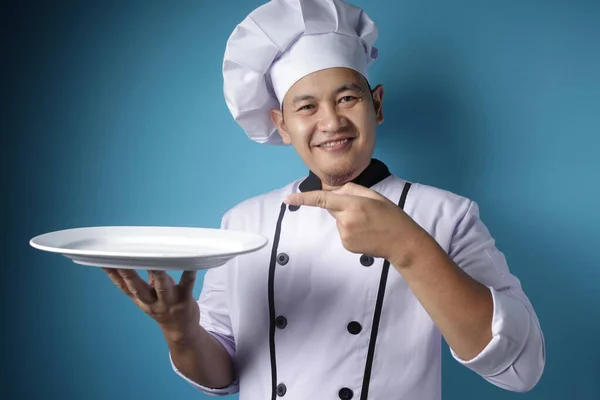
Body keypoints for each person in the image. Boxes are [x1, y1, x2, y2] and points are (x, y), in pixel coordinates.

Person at [104, 0, 546, 399]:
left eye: (348, 98)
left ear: (377, 104)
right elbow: (224, 371)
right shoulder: (244, 223)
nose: (331, 121)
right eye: (306, 107)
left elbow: (521, 368)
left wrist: (408, 247)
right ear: (281, 124)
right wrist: (180, 333)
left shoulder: (446, 215)